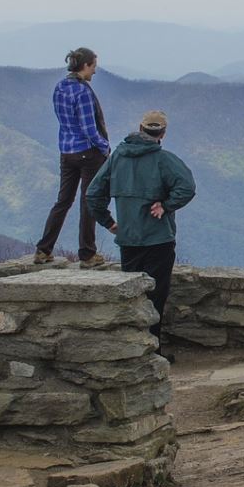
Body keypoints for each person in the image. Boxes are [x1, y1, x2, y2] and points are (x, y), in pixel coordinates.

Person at [84, 109, 196, 342]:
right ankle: (153, 349)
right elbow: (187, 187)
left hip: (129, 240)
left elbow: (93, 194)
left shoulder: (117, 157)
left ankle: (133, 347)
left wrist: (109, 222)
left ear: (140, 128)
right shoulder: (164, 160)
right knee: (155, 297)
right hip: (159, 239)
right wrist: (166, 205)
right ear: (162, 134)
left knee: (132, 296)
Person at [34, 47, 111, 265]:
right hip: (87, 152)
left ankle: (43, 249)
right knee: (89, 202)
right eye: (93, 66)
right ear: (85, 65)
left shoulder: (59, 88)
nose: (94, 72)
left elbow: (64, 120)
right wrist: (104, 146)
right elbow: (89, 128)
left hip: (66, 151)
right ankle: (87, 254)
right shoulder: (83, 92)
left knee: (63, 201)